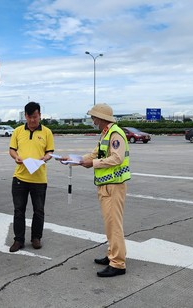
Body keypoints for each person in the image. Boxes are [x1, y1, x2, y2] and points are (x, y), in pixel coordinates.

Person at [63, 103, 130, 277]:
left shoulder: (116, 134)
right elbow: (94, 154)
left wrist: (91, 163)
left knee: (114, 225)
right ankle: (112, 255)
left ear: (102, 118)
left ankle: (118, 264)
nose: (92, 119)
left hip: (114, 186)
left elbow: (117, 158)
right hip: (106, 186)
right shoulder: (106, 134)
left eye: (94, 116)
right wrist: (73, 159)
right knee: (109, 224)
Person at [8, 102, 55, 252]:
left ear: (40, 115)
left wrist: (45, 158)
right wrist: (16, 157)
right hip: (20, 178)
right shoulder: (17, 131)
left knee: (39, 210)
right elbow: (12, 150)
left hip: (39, 179)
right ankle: (18, 240)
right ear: (25, 116)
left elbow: (50, 152)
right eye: (29, 117)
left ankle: (36, 238)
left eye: (35, 117)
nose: (32, 120)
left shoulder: (47, 132)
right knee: (19, 210)